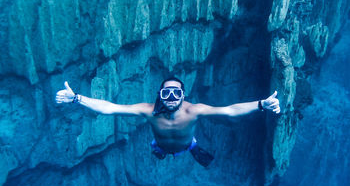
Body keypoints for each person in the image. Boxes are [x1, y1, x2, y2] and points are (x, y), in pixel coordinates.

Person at [56, 77, 280, 167]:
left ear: (183, 95)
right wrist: (77, 98)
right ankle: (163, 152)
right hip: (161, 144)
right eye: (166, 94)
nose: (171, 99)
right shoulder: (148, 111)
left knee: (187, 146)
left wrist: (261, 104)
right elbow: (110, 108)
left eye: (176, 94)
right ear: (159, 95)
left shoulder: (193, 111)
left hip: (186, 143)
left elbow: (230, 111)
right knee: (158, 150)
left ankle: (191, 148)